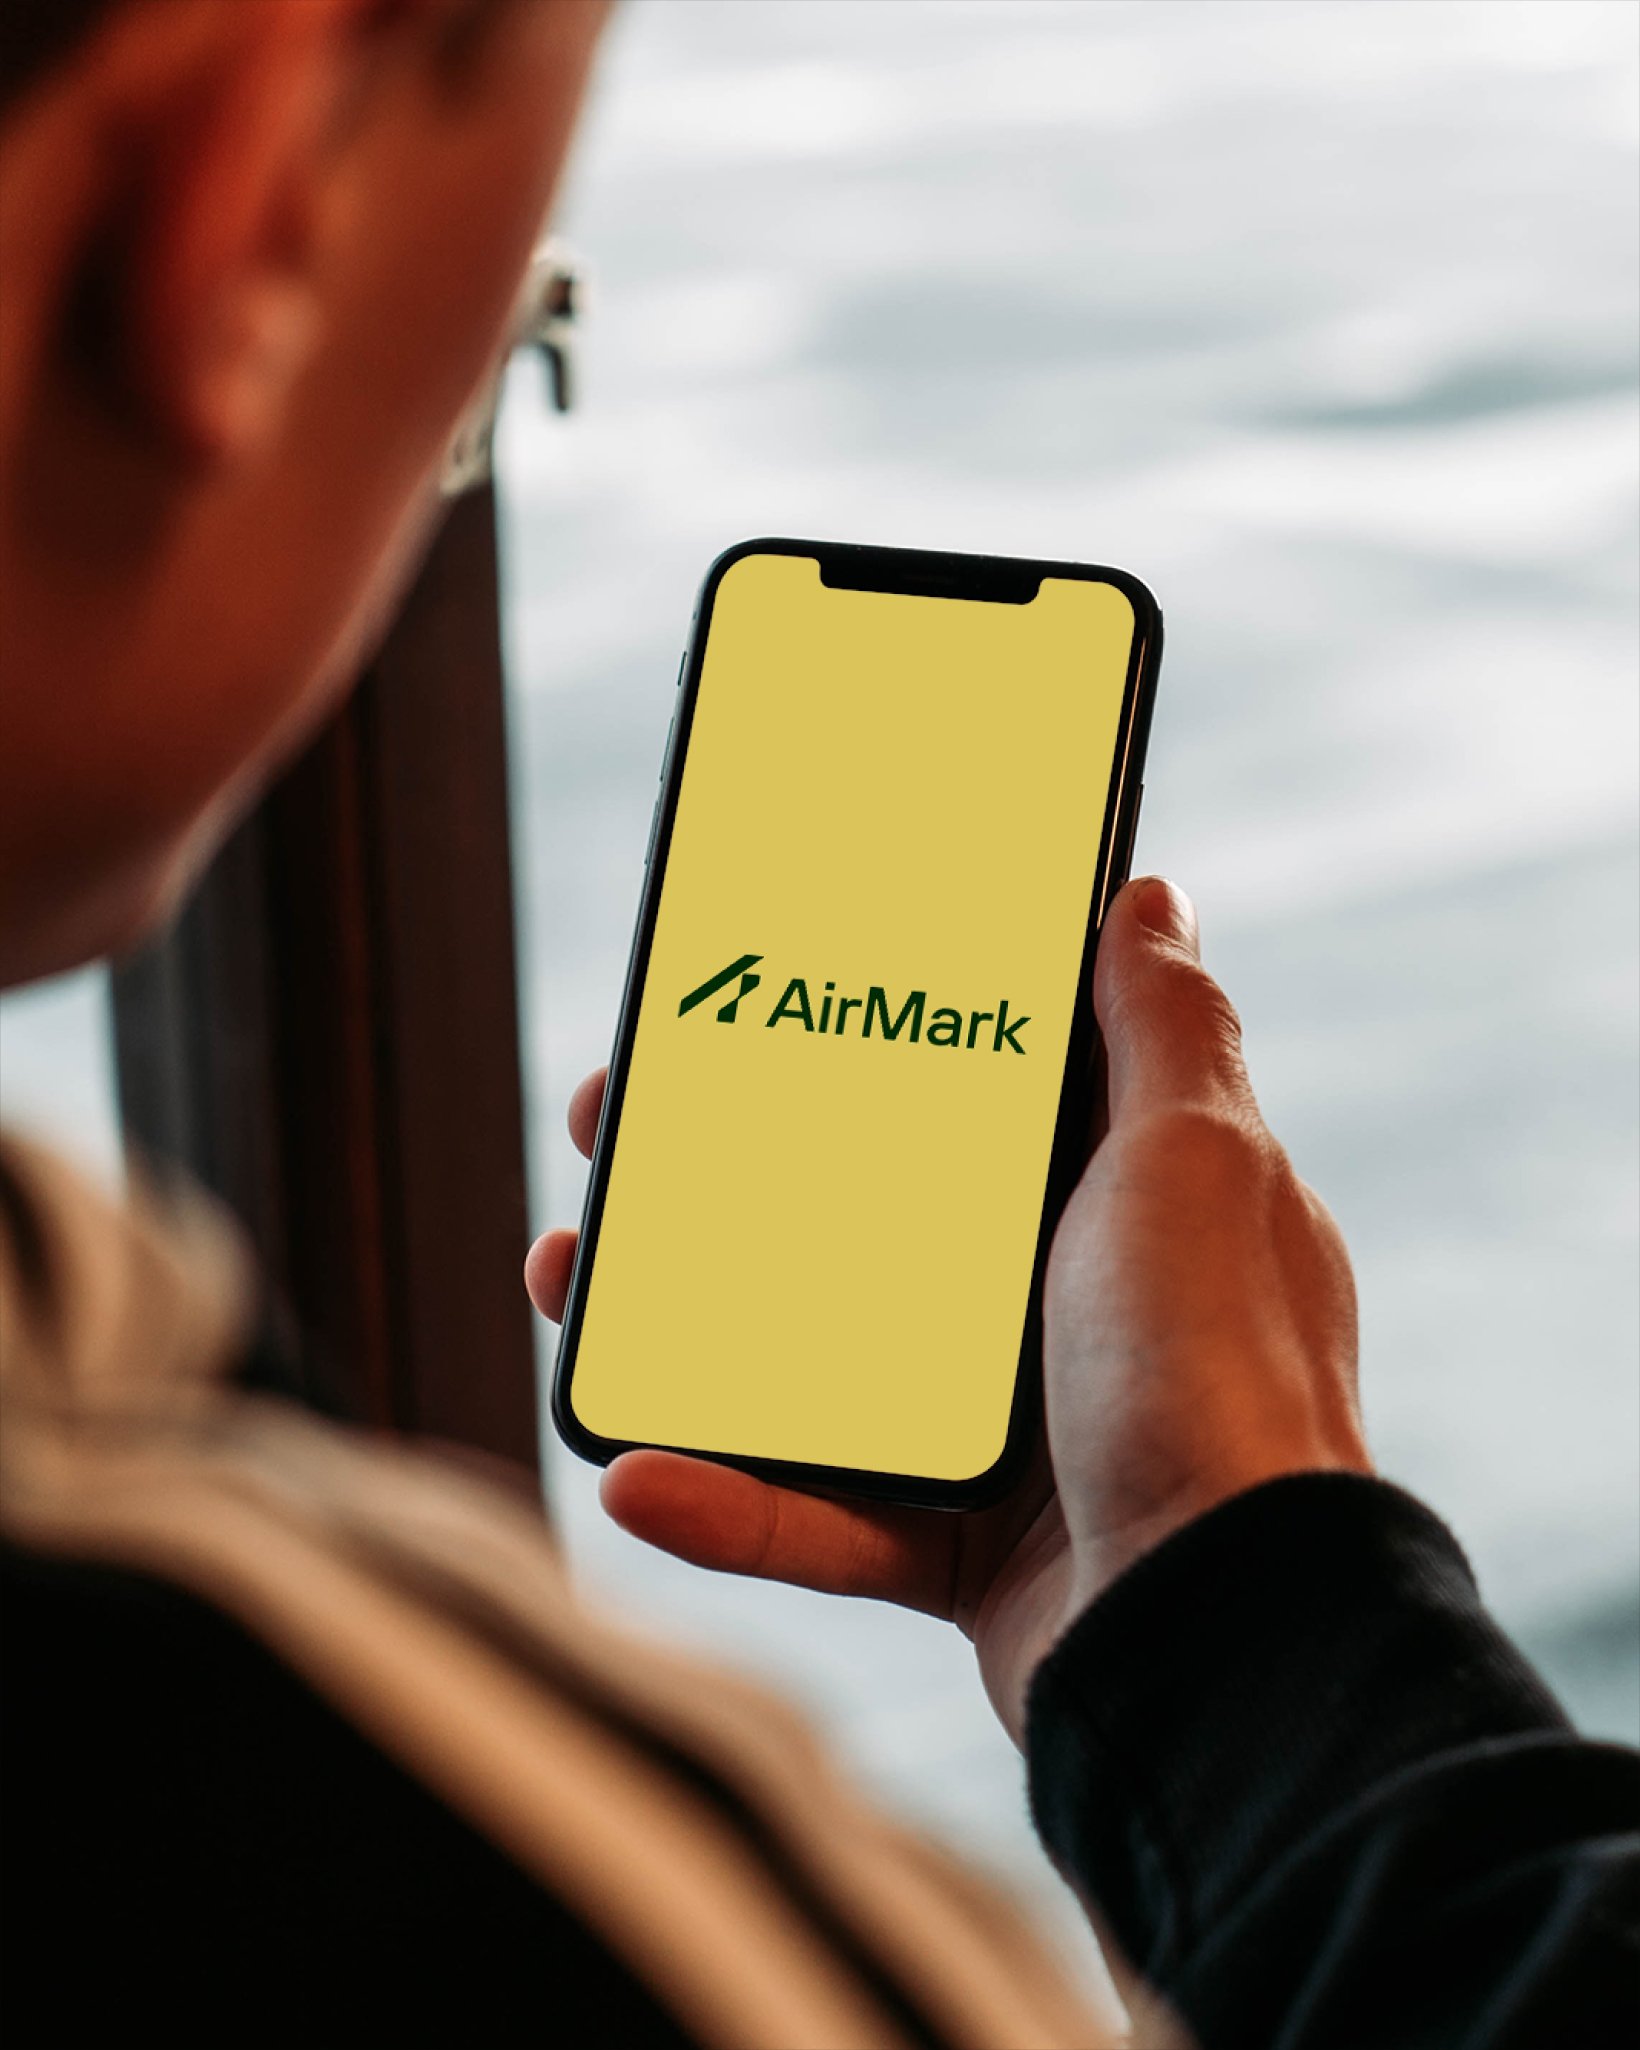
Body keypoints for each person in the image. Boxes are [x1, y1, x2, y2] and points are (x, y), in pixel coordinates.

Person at [0, 3, 1633, 2044]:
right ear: (245, 200)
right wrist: (1256, 1590)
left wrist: (1157, 1620)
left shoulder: (111, 1365)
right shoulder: (485, 1896)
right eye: (519, 306)